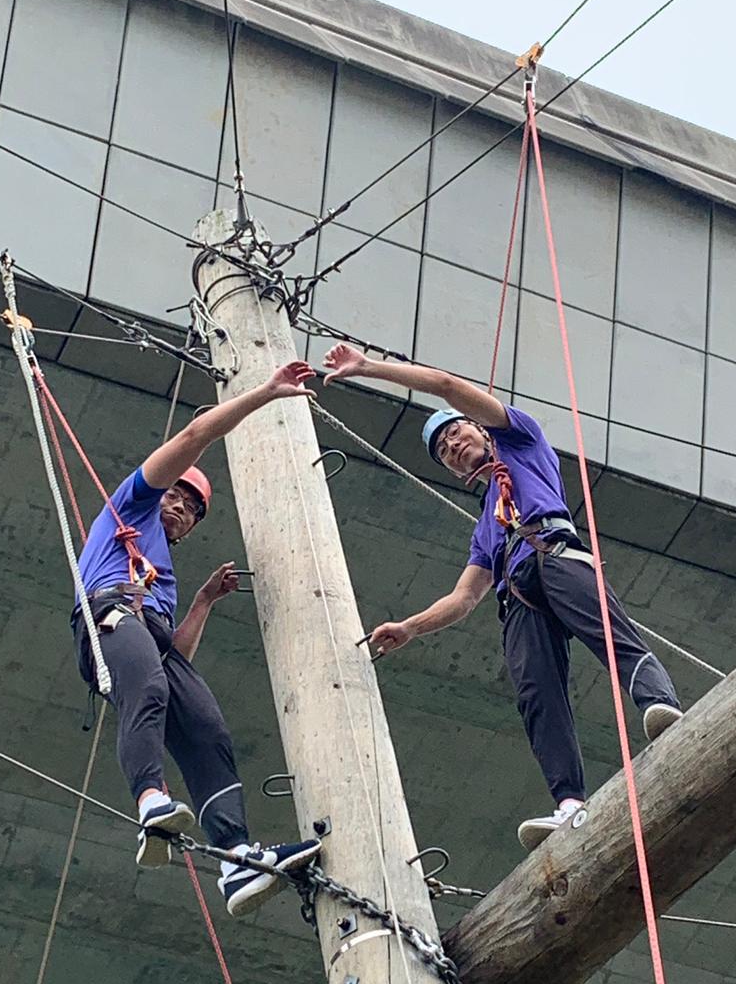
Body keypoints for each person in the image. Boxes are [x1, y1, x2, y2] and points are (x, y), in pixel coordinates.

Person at [322, 344, 683, 850]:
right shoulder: (485, 526)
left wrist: (368, 369)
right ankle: (569, 804)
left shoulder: (521, 442)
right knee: (537, 694)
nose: (453, 446)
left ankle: (660, 704)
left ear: (478, 427)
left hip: (552, 550)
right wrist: (411, 627)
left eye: (456, 433)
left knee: (607, 631)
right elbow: (465, 597)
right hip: (516, 593)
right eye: (444, 451)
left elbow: (447, 386)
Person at [73, 360, 321, 916]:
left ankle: (237, 860)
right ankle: (151, 801)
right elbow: (194, 435)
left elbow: (174, 659)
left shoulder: (165, 570)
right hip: (110, 615)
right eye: (180, 495)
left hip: (151, 634)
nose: (183, 507)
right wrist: (266, 392)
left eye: (194, 509)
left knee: (207, 729)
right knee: (149, 692)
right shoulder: (132, 507)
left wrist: (203, 602)